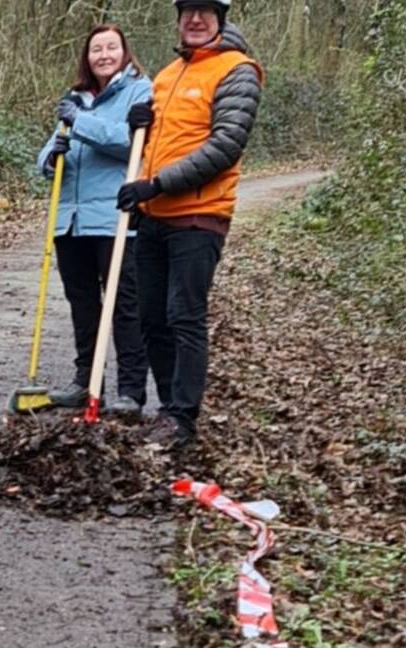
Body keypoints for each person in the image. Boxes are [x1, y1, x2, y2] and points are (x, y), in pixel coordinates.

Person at [116, 0, 262, 446]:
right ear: (179, 20)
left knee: (184, 316)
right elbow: (153, 146)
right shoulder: (165, 75)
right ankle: (166, 410)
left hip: (199, 217)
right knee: (152, 318)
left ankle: (182, 418)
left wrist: (156, 184)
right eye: (188, 12)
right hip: (154, 216)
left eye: (205, 12)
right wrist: (135, 129)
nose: (195, 20)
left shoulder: (238, 70)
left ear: (220, 19)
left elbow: (225, 146)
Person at [34, 25, 152, 416]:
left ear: (124, 51)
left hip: (113, 218)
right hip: (70, 218)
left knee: (124, 305)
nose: (103, 55)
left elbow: (133, 142)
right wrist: (52, 156)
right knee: (82, 304)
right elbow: (48, 152)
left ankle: (131, 391)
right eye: (96, 49)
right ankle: (86, 381)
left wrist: (80, 124)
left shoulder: (140, 90)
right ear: (87, 56)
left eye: (111, 48)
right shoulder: (76, 97)